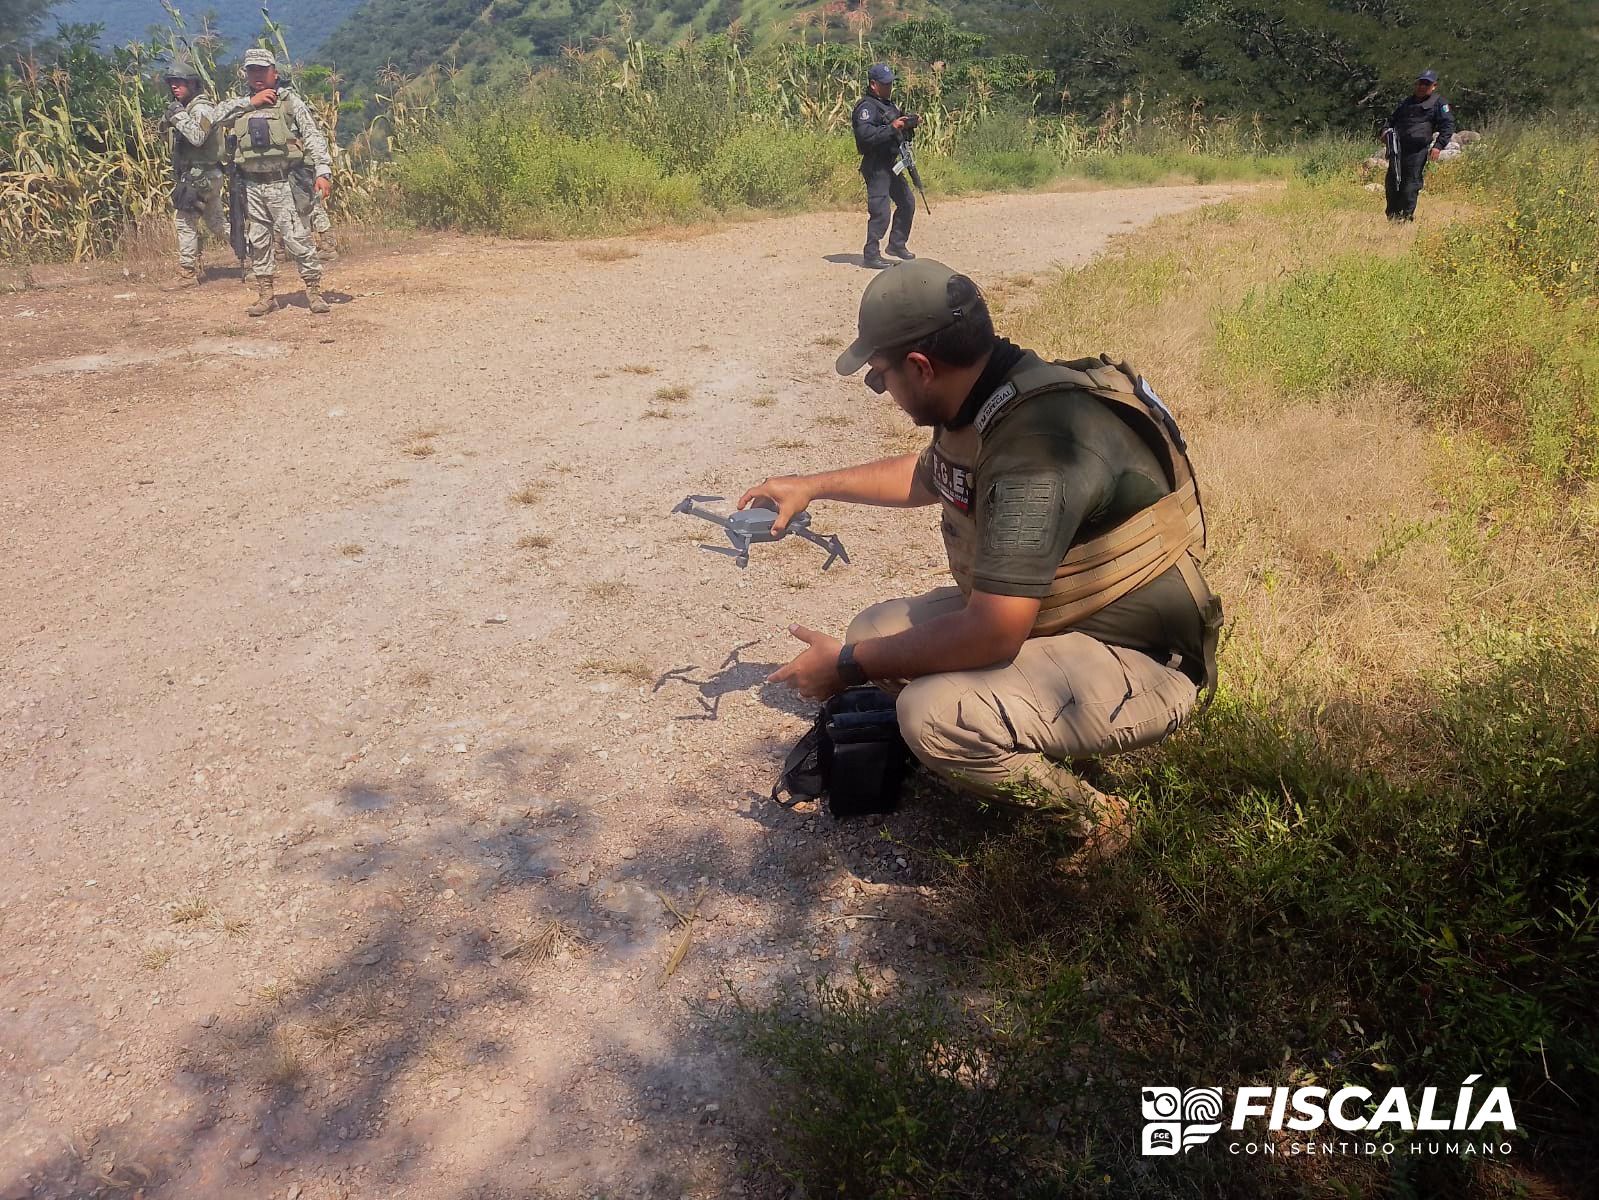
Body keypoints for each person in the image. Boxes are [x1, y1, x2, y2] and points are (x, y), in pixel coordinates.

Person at [743, 260, 1223, 837]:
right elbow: (928, 478)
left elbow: (992, 631)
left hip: (1140, 657)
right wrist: (811, 485)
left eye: (880, 377)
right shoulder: (994, 391)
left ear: (921, 367)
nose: (884, 392)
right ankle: (1016, 726)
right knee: (871, 631)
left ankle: (1098, 822)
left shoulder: (1035, 449)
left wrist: (845, 669)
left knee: (931, 713)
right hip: (1063, 618)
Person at [212, 48, 333, 316]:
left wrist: (323, 171)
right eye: (251, 70)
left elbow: (313, 136)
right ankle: (266, 296)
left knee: (297, 238)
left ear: (274, 72)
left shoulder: (290, 102)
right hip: (251, 186)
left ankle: (313, 291)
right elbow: (210, 119)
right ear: (245, 74)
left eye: (262, 70)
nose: (257, 75)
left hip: (283, 183)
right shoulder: (240, 104)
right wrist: (249, 103)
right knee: (259, 241)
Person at [159, 60, 227, 290]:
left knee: (185, 220)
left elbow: (197, 137)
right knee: (217, 224)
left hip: (203, 174)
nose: (174, 87)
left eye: (179, 83)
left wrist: (178, 116)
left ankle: (187, 273)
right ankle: (256, 252)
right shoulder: (186, 108)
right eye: (172, 84)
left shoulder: (202, 109)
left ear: (193, 84)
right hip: (200, 173)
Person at [852, 63, 917, 271]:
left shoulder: (889, 105)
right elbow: (865, 137)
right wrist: (891, 128)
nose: (889, 87)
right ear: (873, 84)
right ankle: (871, 254)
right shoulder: (866, 107)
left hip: (891, 164)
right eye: (885, 84)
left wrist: (909, 124)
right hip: (876, 165)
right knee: (881, 211)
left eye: (890, 83)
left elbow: (898, 132)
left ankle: (896, 244)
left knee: (907, 202)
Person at [1381, 69, 1455, 222]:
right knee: (1392, 183)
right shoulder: (1406, 102)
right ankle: (1392, 217)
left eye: (1426, 84)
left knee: (1410, 185)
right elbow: (1391, 120)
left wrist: (1438, 146)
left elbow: (1447, 126)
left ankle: (1405, 218)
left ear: (1434, 86)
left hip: (1418, 151)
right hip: (1398, 149)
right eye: (1421, 83)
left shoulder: (1439, 103)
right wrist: (1384, 131)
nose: (1422, 87)